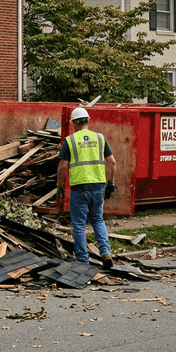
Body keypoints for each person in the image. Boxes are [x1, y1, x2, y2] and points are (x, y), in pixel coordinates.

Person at [57, 106, 118, 268]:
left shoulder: (70, 141)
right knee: (98, 220)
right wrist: (111, 183)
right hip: (98, 186)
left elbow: (62, 166)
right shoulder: (99, 138)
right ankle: (106, 254)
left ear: (74, 124)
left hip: (79, 188)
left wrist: (59, 186)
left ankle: (83, 260)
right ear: (88, 121)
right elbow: (112, 162)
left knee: (78, 224)